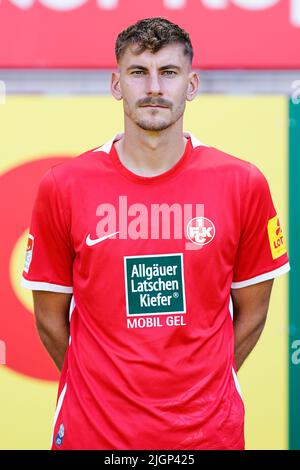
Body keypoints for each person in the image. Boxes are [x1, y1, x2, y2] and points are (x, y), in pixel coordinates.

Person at [21, 17, 290, 450]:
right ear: (116, 84)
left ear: (192, 84)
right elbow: (50, 320)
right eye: (138, 73)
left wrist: (203, 387)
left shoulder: (243, 183)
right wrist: (101, 391)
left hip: (208, 436)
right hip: (93, 434)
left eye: (168, 73)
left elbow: (253, 314)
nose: (153, 88)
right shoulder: (64, 186)